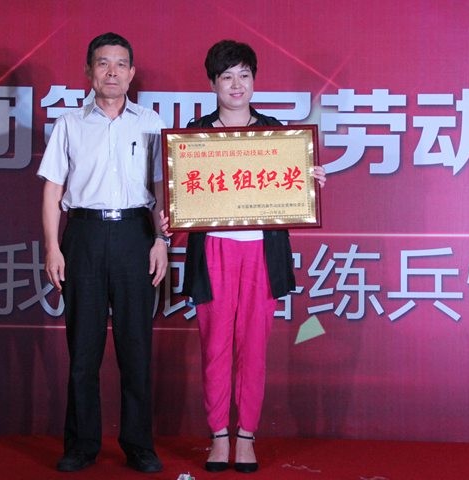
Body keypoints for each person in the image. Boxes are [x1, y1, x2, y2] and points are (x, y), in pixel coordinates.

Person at [183, 40, 326, 474]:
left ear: (254, 81)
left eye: (244, 75)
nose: (236, 85)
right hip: (214, 251)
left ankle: (246, 436)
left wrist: (308, 180)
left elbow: (290, 187)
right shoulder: (195, 135)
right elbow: (182, 195)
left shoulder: (276, 133)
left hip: (261, 253)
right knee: (215, 348)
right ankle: (218, 436)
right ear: (212, 83)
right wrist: (172, 211)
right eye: (226, 76)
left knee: (254, 349)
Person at [38, 32, 169, 474]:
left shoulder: (150, 122)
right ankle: (81, 445)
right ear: (88, 71)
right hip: (84, 236)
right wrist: (53, 247)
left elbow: (161, 186)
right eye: (103, 63)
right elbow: (53, 189)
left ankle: (139, 446)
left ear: (132, 73)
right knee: (84, 350)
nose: (112, 72)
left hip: (136, 234)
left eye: (120, 64)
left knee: (136, 349)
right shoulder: (70, 124)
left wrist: (161, 241)